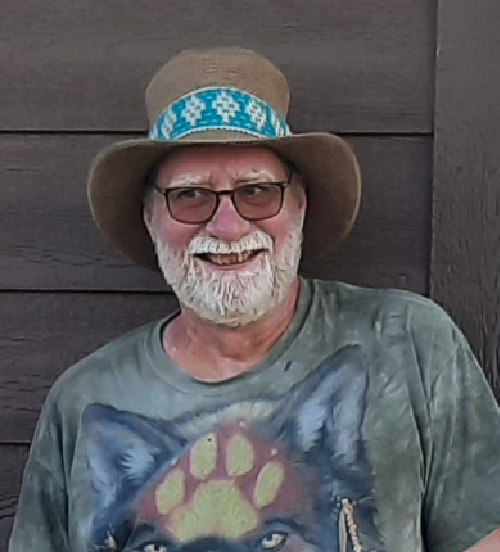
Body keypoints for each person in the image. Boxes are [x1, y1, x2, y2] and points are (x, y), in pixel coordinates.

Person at [8, 47, 500, 552]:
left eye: (257, 191)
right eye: (190, 195)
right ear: (150, 216)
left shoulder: (409, 344)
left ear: (300, 203)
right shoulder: (83, 400)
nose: (228, 226)